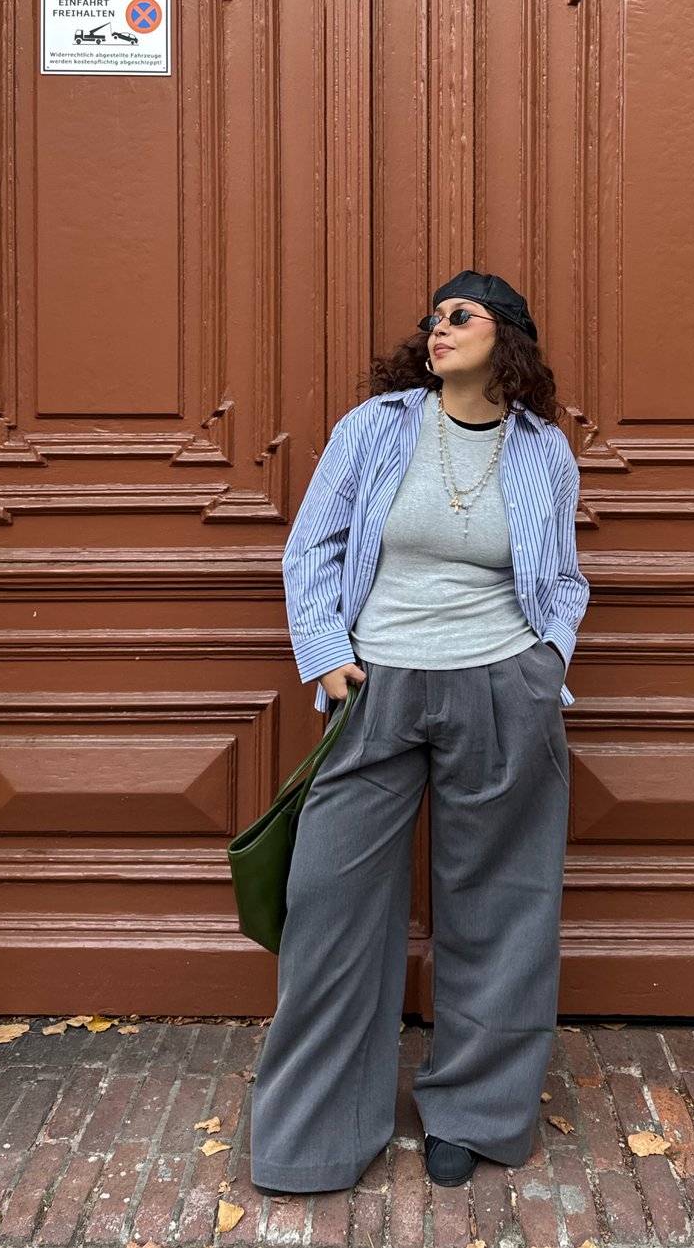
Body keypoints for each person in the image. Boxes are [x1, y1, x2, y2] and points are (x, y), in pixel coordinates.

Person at [248, 269, 589, 1195]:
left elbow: (561, 577)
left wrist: (545, 664)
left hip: (502, 688)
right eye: (432, 318)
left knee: (500, 907)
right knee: (329, 906)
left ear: (505, 337)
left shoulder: (543, 451)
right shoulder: (378, 427)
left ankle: (472, 1116)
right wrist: (323, 652)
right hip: (379, 684)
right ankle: (315, 1134)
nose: (438, 329)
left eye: (459, 316)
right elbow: (311, 544)